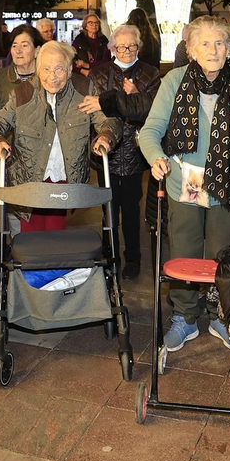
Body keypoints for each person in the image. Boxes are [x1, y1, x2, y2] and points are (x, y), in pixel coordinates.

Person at [139, 15, 230, 354]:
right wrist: (156, 156)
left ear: (228, 48)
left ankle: (221, 314)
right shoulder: (174, 80)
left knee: (225, 255)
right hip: (185, 180)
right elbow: (150, 130)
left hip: (229, 180)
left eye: (219, 42)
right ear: (191, 50)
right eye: (204, 43)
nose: (213, 49)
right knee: (185, 252)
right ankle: (186, 318)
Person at [0, 40, 117, 232]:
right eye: (46, 69)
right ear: (38, 69)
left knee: (56, 239)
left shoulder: (83, 89)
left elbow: (107, 120)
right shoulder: (23, 94)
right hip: (29, 178)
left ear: (70, 70)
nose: (52, 76)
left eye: (59, 69)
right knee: (30, 240)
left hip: (63, 176)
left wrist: (105, 135)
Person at [84, 22, 161, 279]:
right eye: (121, 46)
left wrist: (135, 95)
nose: (126, 50)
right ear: (112, 47)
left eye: (131, 45)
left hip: (135, 153)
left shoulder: (151, 75)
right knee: (107, 209)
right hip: (106, 150)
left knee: (130, 209)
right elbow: (93, 110)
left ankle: (134, 259)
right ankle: (109, 255)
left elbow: (154, 111)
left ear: (139, 46)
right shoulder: (98, 74)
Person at [0, 24, 42, 117]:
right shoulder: (0, 77)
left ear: (37, 50)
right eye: (14, 46)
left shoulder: (47, 78)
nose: (18, 50)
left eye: (24, 45)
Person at [71, 12, 111, 78]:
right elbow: (71, 59)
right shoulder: (79, 39)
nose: (94, 25)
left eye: (96, 23)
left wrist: (87, 65)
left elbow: (106, 61)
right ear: (85, 26)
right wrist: (82, 71)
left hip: (100, 76)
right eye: (90, 23)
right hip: (82, 77)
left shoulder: (104, 40)